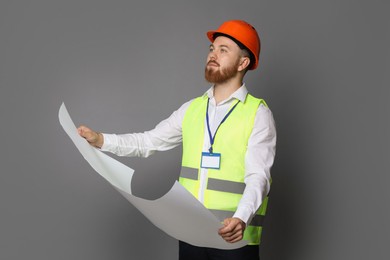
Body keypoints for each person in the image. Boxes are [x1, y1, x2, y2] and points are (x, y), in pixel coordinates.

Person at [78, 20, 276, 260]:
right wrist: (100, 140)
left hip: (234, 240)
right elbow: (149, 142)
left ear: (243, 63)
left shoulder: (257, 113)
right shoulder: (191, 109)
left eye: (224, 50)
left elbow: (259, 177)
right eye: (212, 49)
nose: (213, 54)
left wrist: (241, 218)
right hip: (191, 235)